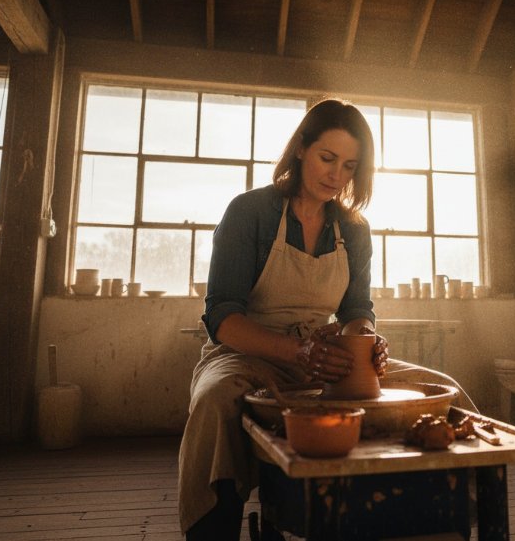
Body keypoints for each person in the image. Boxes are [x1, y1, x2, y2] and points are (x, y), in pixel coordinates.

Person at [177, 98, 475, 539]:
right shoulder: (250, 213)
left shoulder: (353, 229)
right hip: (244, 353)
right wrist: (298, 351)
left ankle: (440, 518)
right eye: (327, 158)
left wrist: (367, 341)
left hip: (324, 354)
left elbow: (357, 312)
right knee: (214, 402)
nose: (336, 176)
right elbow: (222, 318)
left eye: (350, 166)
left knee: (446, 396)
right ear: (301, 149)